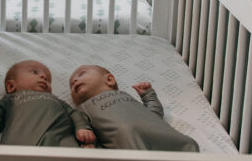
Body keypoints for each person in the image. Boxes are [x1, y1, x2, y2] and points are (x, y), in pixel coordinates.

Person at [68, 65, 200, 151]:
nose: (74, 81)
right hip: (128, 137)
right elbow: (83, 127)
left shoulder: (126, 96)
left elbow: (153, 114)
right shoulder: (83, 108)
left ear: (109, 80)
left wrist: (148, 95)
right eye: (71, 85)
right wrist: (87, 142)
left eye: (81, 74)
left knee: (187, 143)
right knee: (129, 140)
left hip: (155, 128)